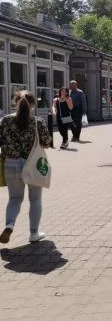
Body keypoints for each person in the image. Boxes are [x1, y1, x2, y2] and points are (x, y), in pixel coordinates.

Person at [0, 91, 54, 244]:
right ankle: (34, 233)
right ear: (33, 105)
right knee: (35, 199)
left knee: (14, 198)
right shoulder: (37, 122)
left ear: (14, 102)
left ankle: (9, 225)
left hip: (11, 163)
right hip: (32, 164)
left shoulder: (5, 120)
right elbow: (46, 142)